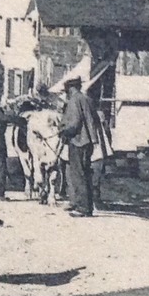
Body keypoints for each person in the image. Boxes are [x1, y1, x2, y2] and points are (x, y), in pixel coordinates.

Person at [57, 77, 99, 217]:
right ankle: (87, 206)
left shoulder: (74, 100)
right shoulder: (87, 99)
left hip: (78, 141)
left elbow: (74, 124)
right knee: (86, 174)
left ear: (70, 88)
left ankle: (82, 208)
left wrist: (63, 130)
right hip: (88, 141)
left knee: (77, 174)